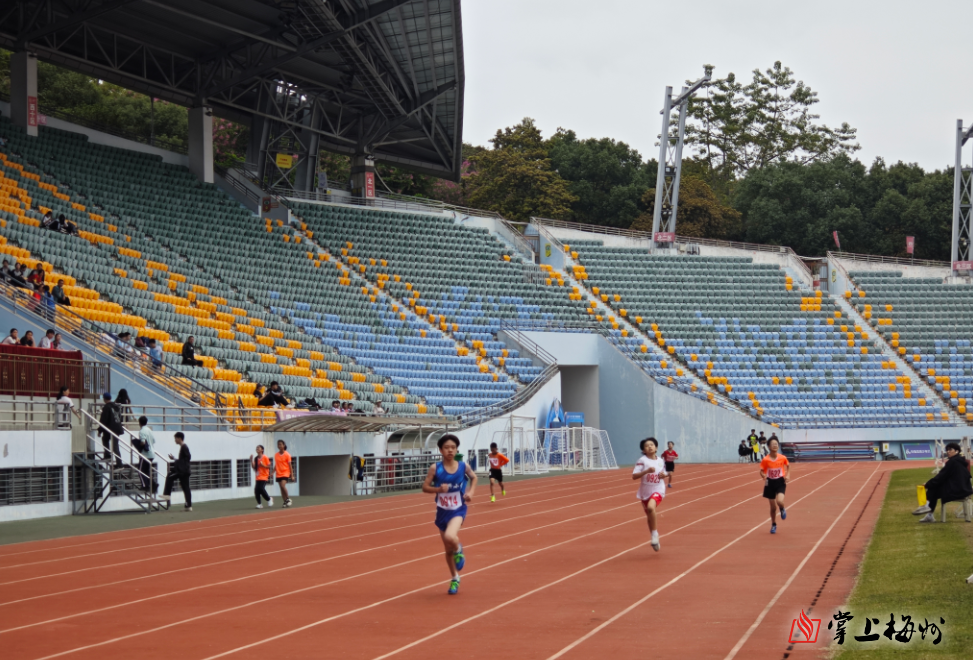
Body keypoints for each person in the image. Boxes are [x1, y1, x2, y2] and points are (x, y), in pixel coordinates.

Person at [421, 434, 477, 595]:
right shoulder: (435, 468)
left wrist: (471, 492)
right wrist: (438, 489)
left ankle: (459, 549)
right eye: (446, 448)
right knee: (447, 550)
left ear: (457, 449)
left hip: (458, 509)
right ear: (441, 450)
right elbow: (425, 487)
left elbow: (474, 478)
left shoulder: (463, 466)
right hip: (442, 512)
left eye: (453, 447)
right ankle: (455, 578)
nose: (450, 450)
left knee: (450, 537)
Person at [916, 442, 973, 523]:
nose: (948, 452)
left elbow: (941, 476)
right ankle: (928, 512)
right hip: (965, 489)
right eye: (947, 450)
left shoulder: (952, 462)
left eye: (950, 450)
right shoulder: (961, 461)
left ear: (957, 451)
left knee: (933, 488)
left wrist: (927, 484)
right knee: (935, 488)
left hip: (958, 490)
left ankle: (927, 508)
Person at [633, 437, 667, 552]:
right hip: (645, 491)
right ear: (643, 450)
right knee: (649, 515)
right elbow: (634, 476)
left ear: (656, 448)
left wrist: (664, 475)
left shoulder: (660, 461)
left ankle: (655, 534)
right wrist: (646, 471)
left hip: (658, 489)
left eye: (652, 445)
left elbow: (664, 472)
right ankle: (654, 534)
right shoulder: (642, 461)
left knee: (651, 508)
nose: (650, 447)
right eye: (647, 446)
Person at [760, 437, 790, 534]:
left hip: (780, 481)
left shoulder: (782, 457)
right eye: (772, 444)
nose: (775, 445)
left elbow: (788, 465)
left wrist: (788, 475)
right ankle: (774, 524)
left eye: (776, 444)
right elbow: (761, 471)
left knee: (780, 501)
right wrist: (763, 475)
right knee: (773, 507)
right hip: (770, 483)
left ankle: (782, 508)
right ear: (768, 446)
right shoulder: (765, 459)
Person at [161, 432, 192, 511]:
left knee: (170, 476)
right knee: (186, 488)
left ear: (179, 438)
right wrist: (174, 458)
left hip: (182, 471)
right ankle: (188, 506)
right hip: (185, 471)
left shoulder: (184, 447)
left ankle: (167, 496)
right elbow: (183, 459)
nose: (175, 440)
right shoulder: (183, 447)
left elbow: (188, 457)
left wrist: (182, 467)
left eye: (175, 438)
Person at [98, 392, 125, 467]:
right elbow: (120, 417)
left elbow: (103, 420)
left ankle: (110, 457)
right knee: (114, 445)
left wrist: (100, 430)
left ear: (104, 399)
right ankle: (118, 462)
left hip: (110, 428)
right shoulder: (116, 406)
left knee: (107, 440)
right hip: (117, 428)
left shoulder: (106, 407)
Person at [133, 416, 157, 495]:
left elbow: (143, 442)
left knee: (140, 471)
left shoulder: (142, 431)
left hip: (145, 454)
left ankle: (145, 486)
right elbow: (153, 441)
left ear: (139, 422)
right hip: (152, 453)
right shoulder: (149, 430)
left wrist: (138, 444)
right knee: (146, 471)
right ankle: (153, 484)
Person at [274, 439, 294, 507]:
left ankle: (288, 499)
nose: (279, 446)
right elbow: (276, 465)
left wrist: (292, 475)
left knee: (283, 485)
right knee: (281, 488)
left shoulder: (287, 454)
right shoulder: (276, 455)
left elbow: (290, 466)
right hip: (278, 473)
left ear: (283, 445)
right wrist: (273, 472)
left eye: (280, 444)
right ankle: (285, 501)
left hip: (285, 472)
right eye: (278, 444)